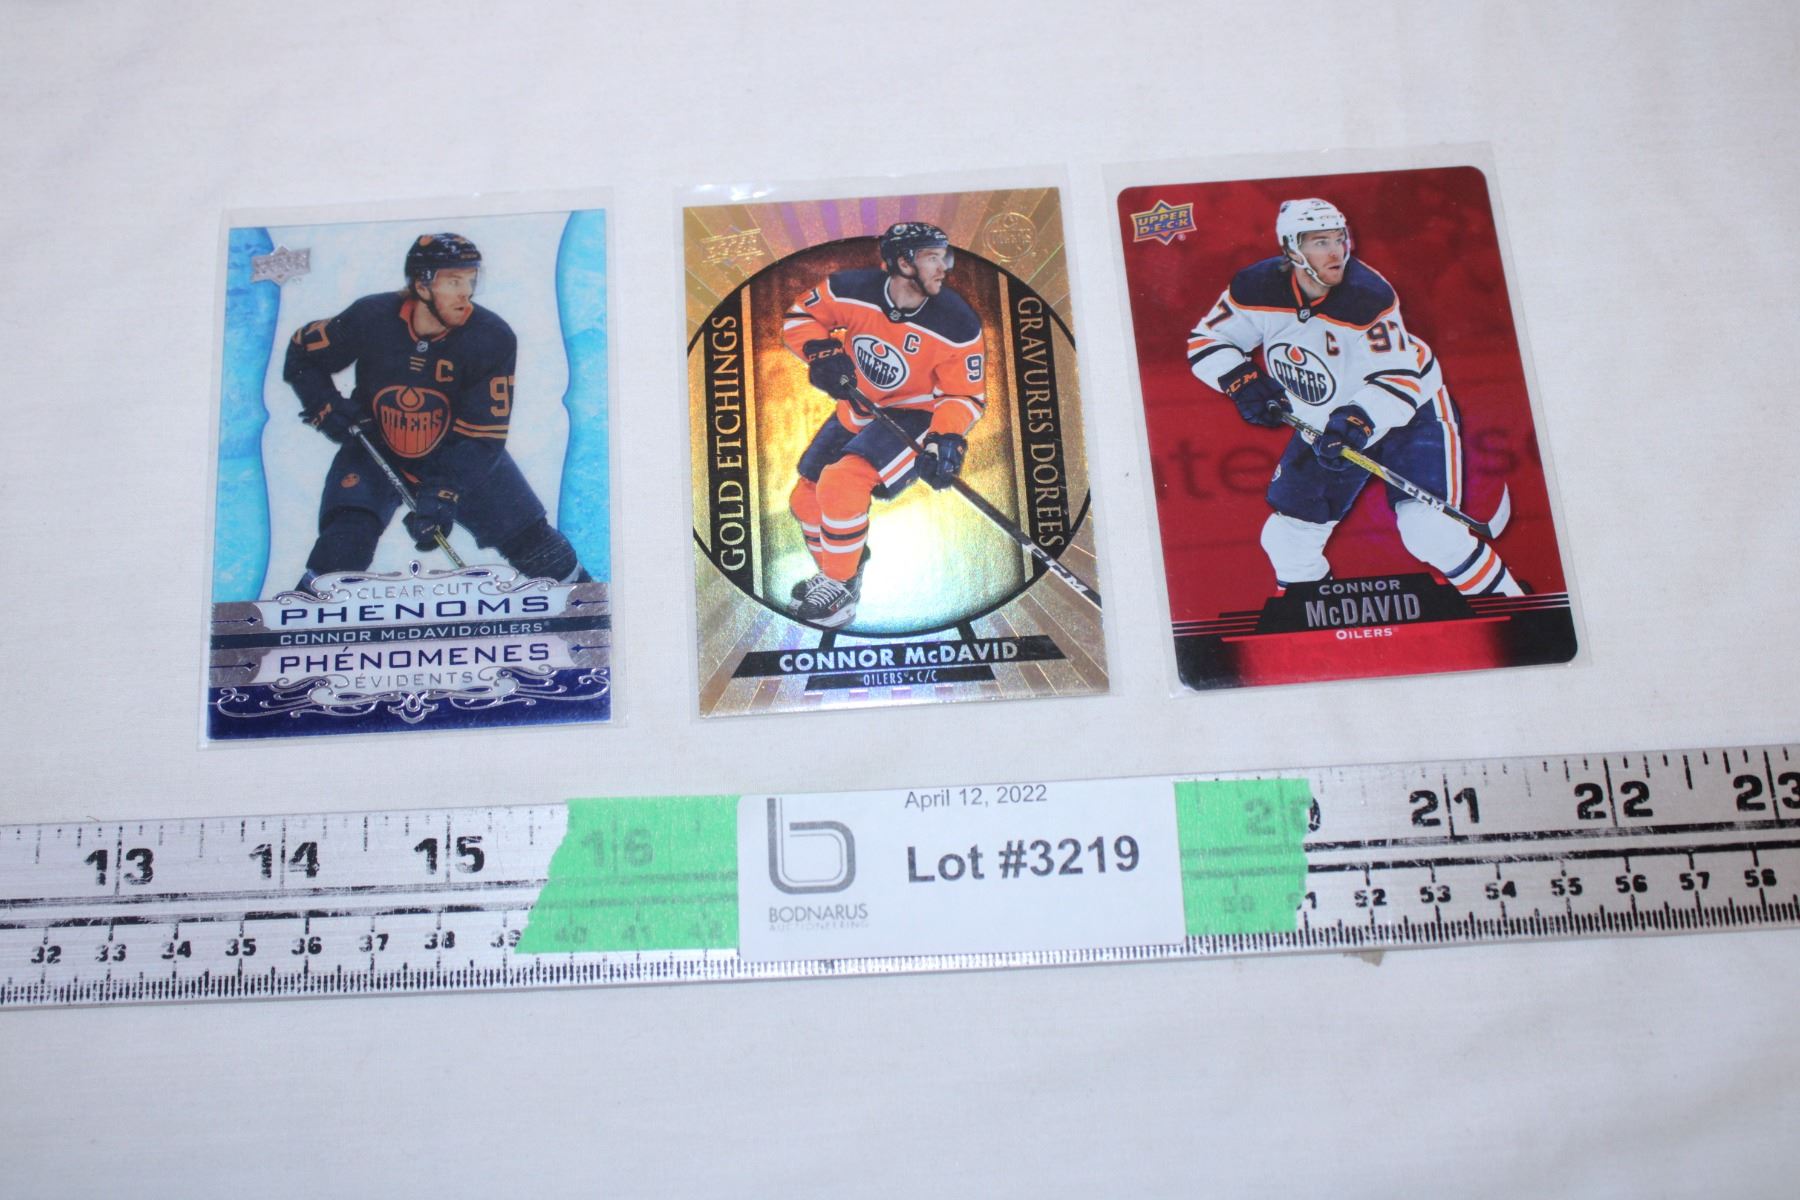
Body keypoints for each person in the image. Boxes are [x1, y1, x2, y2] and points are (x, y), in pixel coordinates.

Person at [1185, 199, 1525, 597]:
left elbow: (1400, 379)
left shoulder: (1367, 296)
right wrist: (1240, 380)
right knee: (1288, 542)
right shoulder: (1255, 286)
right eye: (1320, 242)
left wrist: (1359, 421)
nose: (1336, 252)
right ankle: (1316, 627)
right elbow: (1209, 340)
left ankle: (1517, 614)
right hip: (1324, 422)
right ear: (1292, 248)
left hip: (1410, 414)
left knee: (1430, 532)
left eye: (1339, 239)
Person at [282, 233, 586, 592]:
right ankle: (308, 606)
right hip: (375, 445)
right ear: (422, 284)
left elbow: (482, 435)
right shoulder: (371, 317)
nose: (466, 293)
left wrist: (442, 493)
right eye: (454, 281)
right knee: (346, 538)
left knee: (536, 545)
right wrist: (325, 405)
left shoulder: (491, 337)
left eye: (471, 280)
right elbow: (303, 353)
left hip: (457, 451)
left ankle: (582, 602)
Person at [778, 222, 988, 628]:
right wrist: (820, 352)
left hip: (914, 416)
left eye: (944, 256)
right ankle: (839, 574)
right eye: (932, 257)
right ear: (903, 262)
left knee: (841, 482)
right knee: (805, 500)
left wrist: (944, 439)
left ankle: (839, 589)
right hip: (859, 406)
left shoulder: (957, 322)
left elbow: (964, 395)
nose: (944, 266)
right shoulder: (851, 288)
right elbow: (802, 316)